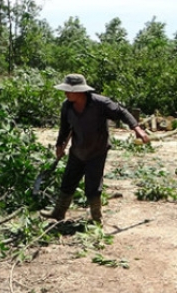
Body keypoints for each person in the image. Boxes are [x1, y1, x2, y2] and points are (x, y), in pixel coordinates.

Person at [44, 73, 150, 224]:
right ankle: (58, 213)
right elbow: (64, 128)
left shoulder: (100, 103)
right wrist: (59, 145)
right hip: (78, 150)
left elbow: (122, 112)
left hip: (97, 150)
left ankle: (96, 219)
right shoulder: (67, 106)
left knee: (93, 185)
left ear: (80, 91)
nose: (65, 93)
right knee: (68, 181)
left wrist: (137, 129)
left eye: (69, 90)